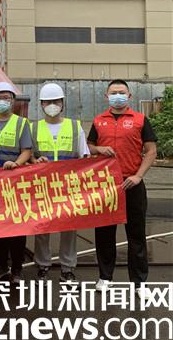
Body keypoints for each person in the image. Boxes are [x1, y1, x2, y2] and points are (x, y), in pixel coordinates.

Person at [88, 79, 157, 299]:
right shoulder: (99, 121)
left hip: (132, 184)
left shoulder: (140, 120)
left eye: (121, 92)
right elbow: (89, 146)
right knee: (104, 233)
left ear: (129, 96)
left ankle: (139, 282)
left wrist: (138, 176)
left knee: (136, 234)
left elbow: (151, 150)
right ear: (106, 96)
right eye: (113, 92)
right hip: (106, 186)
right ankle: (105, 277)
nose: (117, 96)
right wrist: (99, 148)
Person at [31, 83, 90, 284]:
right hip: (43, 186)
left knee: (69, 228)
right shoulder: (33, 127)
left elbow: (84, 156)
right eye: (47, 102)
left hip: (68, 187)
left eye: (56, 101)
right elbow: (29, 156)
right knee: (42, 228)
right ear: (41, 104)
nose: (52, 105)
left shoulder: (74, 126)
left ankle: (67, 268)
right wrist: (35, 160)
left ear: (63, 103)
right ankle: (42, 266)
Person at [0, 81, 32, 284]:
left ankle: (17, 268)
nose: (2, 101)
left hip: (14, 182)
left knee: (17, 226)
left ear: (13, 101)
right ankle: (1, 265)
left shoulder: (21, 123)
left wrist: (17, 163)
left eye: (6, 98)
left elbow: (27, 150)